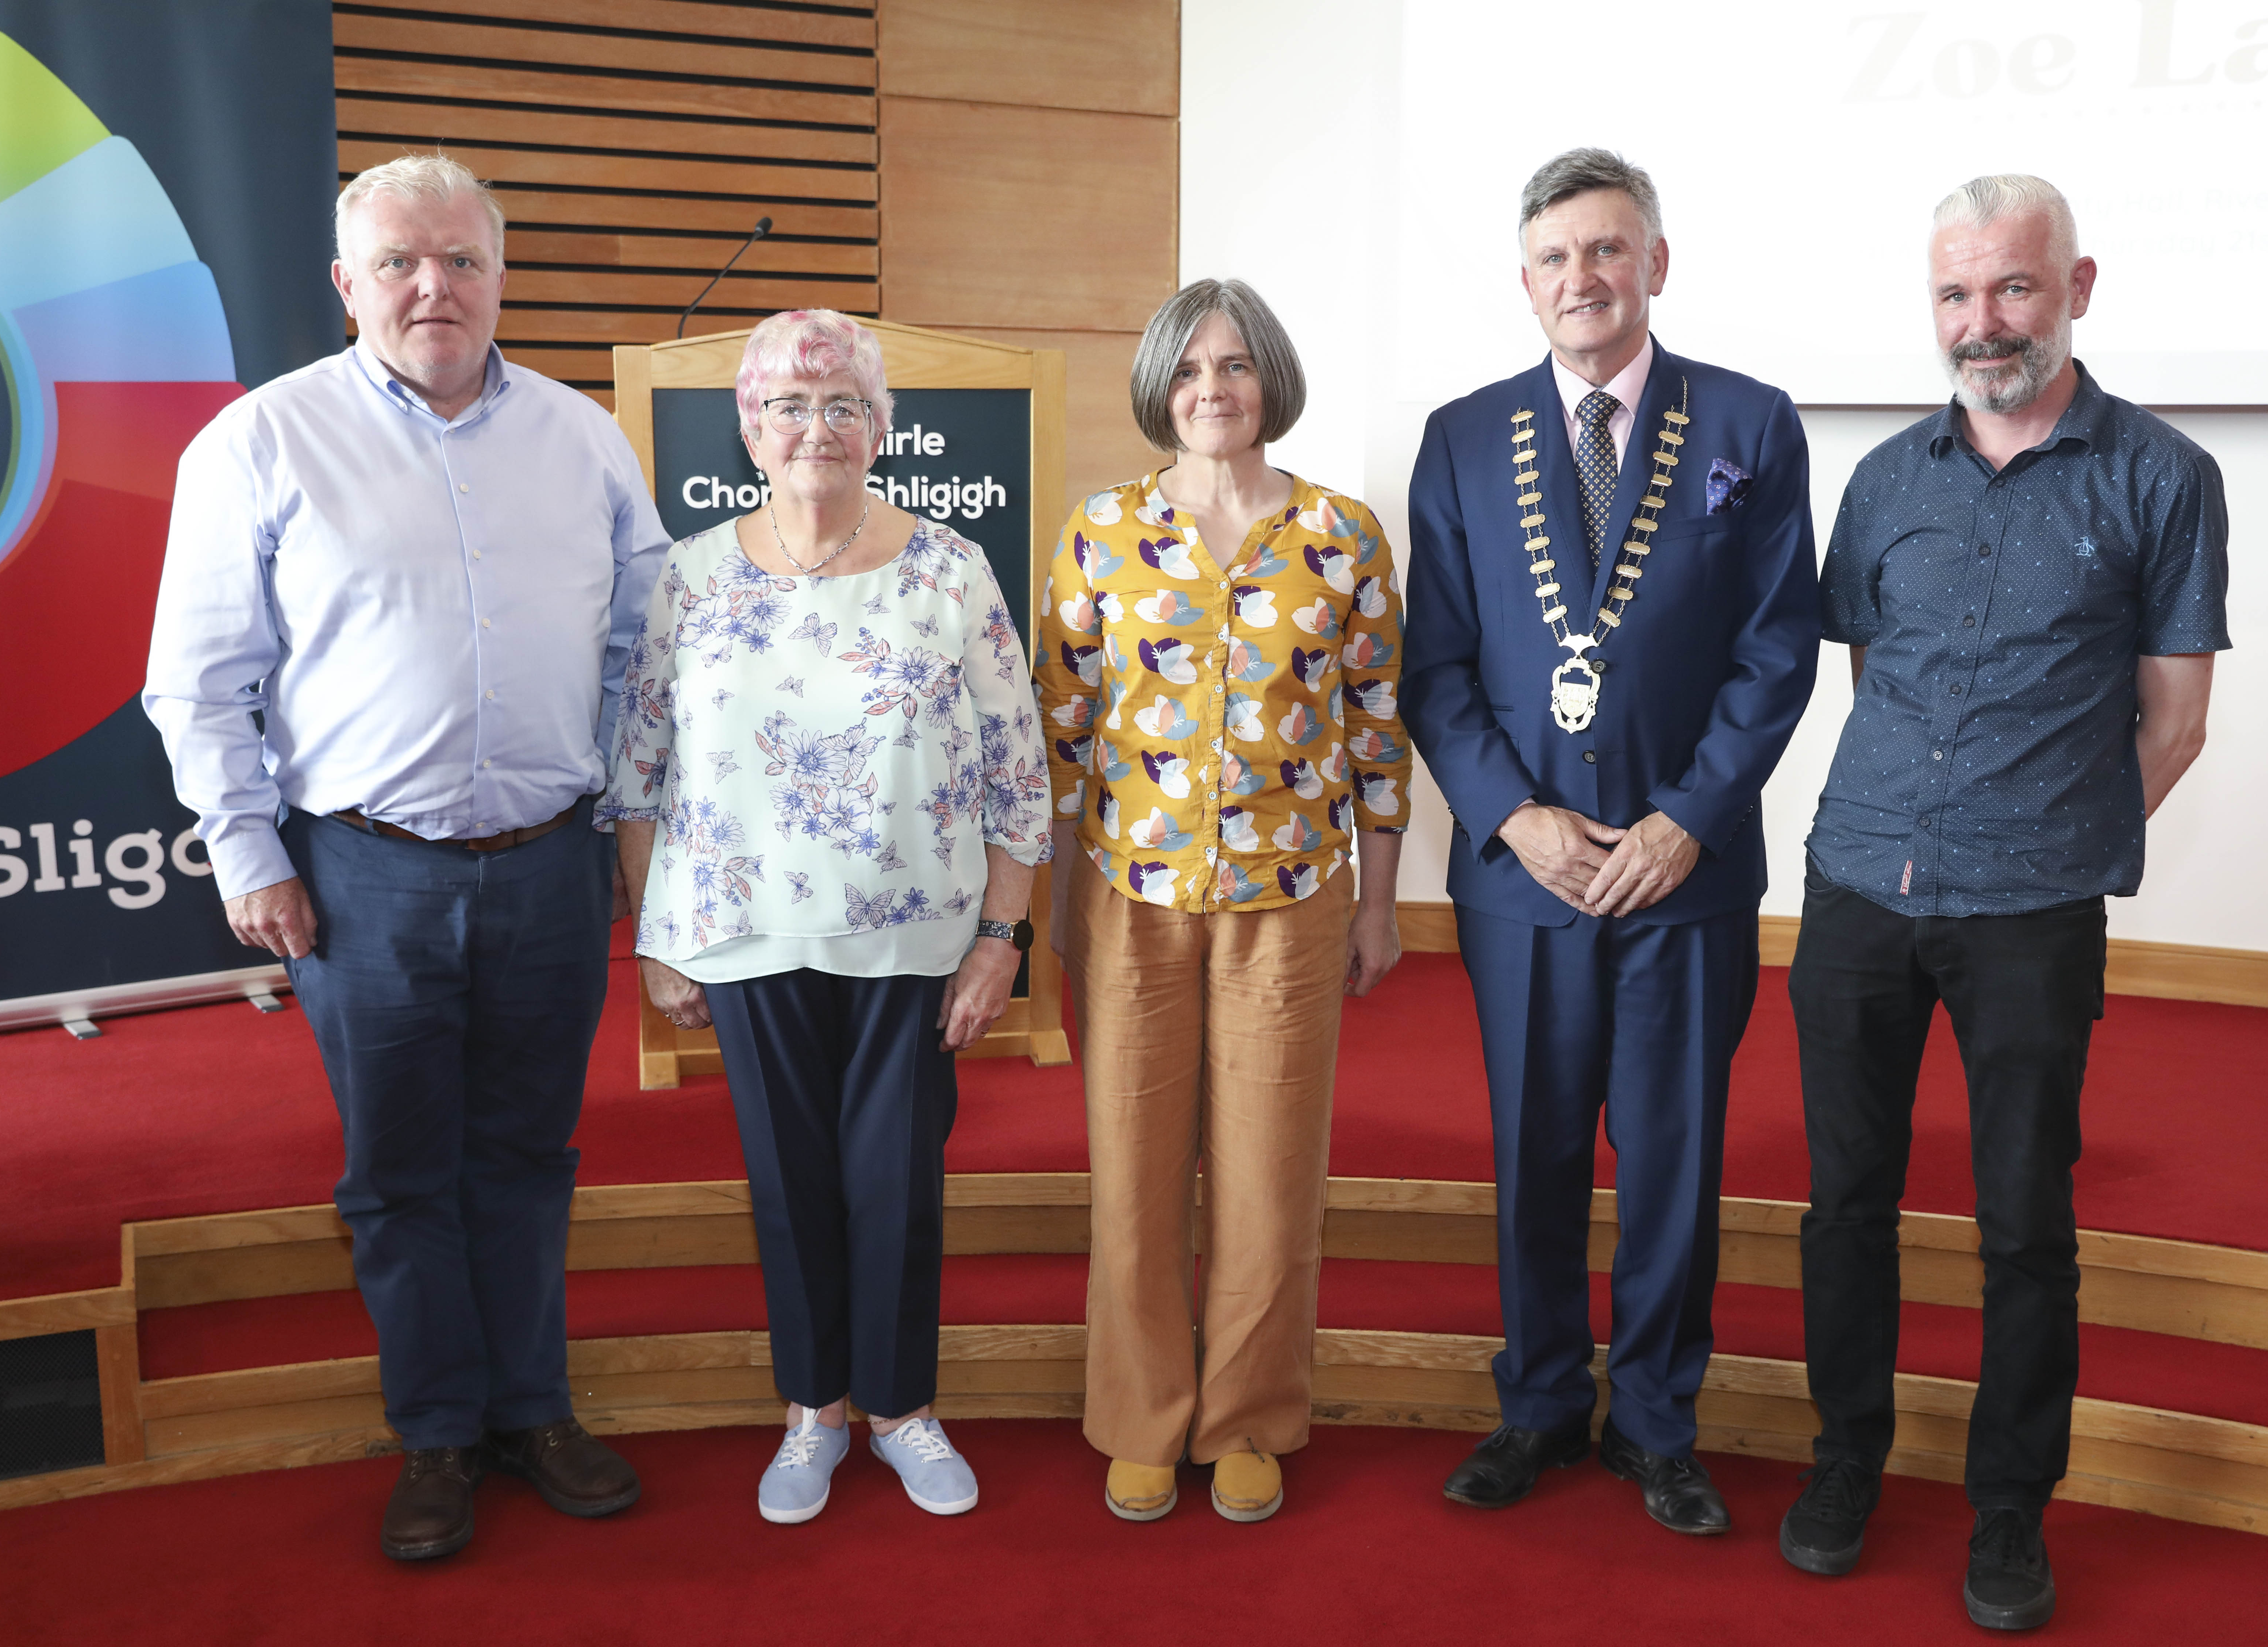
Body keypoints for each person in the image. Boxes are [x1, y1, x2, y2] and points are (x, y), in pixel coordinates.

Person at [144, 154, 666, 1561]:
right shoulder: (259, 442)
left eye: (461, 260)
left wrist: (634, 830)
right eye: (399, 263)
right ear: (346, 283)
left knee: (528, 1153)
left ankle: (532, 1409)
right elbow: (199, 681)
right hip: (362, 872)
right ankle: (437, 1431)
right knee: (397, 1171)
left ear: (502, 274)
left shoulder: (585, 439)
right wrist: (250, 855)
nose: (433, 287)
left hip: (554, 862)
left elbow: (643, 650)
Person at [1781, 175, 2226, 1632]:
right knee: (1845, 1196)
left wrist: (2038, 841)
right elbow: (1873, 674)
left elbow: (2174, 722)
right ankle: (1848, 1458)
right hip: (1858, 887)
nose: (1984, 323)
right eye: (1956, 297)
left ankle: (2008, 1506)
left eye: (2014, 290)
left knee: (2024, 1219)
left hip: (2033, 915)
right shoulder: (1886, 478)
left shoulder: (2163, 477)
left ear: (2077, 286)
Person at [1399, 149, 1819, 1533]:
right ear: (1525, 282)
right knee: (1533, 1153)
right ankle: (1537, 1408)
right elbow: (1437, 671)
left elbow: (1774, 652)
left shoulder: (1752, 425)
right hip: (1526, 881)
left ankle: (1655, 1423)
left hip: (1680, 880)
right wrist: (1512, 819)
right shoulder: (1461, 438)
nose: (1583, 278)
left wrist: (1689, 819)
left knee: (1672, 1157)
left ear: (1655, 262)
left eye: (1608, 250)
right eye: (1556, 258)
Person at [602, 309, 1050, 1526]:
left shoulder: (951, 569)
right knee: (789, 1184)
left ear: (882, 428)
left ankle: (902, 1409)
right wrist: (658, 936)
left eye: (843, 404)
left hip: (919, 940)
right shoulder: (689, 577)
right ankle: (814, 1410)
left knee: (896, 1179)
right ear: (749, 429)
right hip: (745, 938)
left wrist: (1004, 938)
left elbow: (1021, 772)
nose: (817, 427)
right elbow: (642, 767)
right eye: (789, 407)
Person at [1035, 278, 1412, 1524]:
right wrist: (1033, 906)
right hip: (1129, 891)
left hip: (1292, 895)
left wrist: (1378, 901)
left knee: (1267, 1172)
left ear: (1272, 385)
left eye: (1237, 367)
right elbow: (1061, 729)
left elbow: (1373, 728)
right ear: (1160, 386)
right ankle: (1141, 1416)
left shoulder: (1343, 536)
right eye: (1191, 369)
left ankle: (1249, 1416)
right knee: (1135, 1169)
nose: (1214, 390)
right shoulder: (1098, 533)